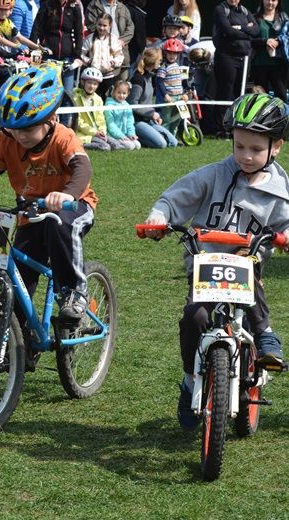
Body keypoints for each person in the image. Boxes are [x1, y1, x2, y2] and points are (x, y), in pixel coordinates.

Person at [141, 93, 289, 431]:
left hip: (246, 261)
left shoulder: (280, 190)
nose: (246, 156)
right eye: (239, 147)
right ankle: (191, 380)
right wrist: (158, 218)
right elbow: (176, 197)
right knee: (195, 318)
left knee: (250, 274)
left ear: (275, 146)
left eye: (255, 149)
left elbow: (286, 221)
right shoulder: (214, 174)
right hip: (205, 265)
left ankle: (265, 335)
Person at [0, 66, 98, 366]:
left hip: (73, 207)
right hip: (30, 213)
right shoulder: (9, 141)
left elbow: (82, 167)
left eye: (27, 129)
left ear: (50, 119)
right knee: (18, 275)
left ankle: (75, 294)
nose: (20, 136)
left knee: (60, 227)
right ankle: (19, 347)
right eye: (12, 129)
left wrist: (67, 194)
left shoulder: (63, 137)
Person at [212, 0, 260, 136]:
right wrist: (247, 31)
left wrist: (240, 28)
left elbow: (256, 30)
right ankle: (223, 127)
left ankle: (238, 125)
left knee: (241, 91)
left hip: (244, 57)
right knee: (226, 90)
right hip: (226, 57)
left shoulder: (244, 11)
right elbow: (226, 30)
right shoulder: (220, 9)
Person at [30, 0, 84, 95]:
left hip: (67, 56)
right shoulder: (47, 5)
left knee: (68, 93)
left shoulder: (74, 7)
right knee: (46, 90)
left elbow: (79, 34)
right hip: (48, 54)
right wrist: (32, 49)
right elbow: (36, 29)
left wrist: (77, 56)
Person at [128, 47, 178, 149]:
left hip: (148, 119)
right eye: (159, 60)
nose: (161, 62)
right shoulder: (138, 79)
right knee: (162, 144)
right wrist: (151, 114)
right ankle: (135, 138)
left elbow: (148, 102)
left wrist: (155, 115)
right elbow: (132, 104)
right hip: (136, 121)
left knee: (173, 142)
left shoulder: (150, 77)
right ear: (153, 61)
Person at [74, 67, 123, 151]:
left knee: (116, 145)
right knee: (105, 147)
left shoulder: (98, 99)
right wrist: (95, 132)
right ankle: (81, 144)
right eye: (89, 83)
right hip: (84, 134)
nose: (92, 86)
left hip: (98, 133)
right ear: (83, 82)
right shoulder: (75, 98)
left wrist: (102, 131)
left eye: (95, 84)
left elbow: (101, 118)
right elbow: (79, 122)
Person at [84, 0, 133, 81]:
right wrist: (104, 39)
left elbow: (130, 27)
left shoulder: (123, 7)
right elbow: (90, 25)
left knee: (121, 86)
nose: (101, 27)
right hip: (99, 58)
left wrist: (123, 40)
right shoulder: (94, 5)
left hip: (121, 53)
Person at [251, 0, 288, 103]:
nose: (270, 2)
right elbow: (249, 40)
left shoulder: (284, 17)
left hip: (279, 64)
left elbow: (287, 37)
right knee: (261, 98)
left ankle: (281, 119)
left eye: (274, 0)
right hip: (259, 64)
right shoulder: (254, 18)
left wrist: (279, 41)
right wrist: (265, 41)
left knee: (281, 96)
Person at [80, 13, 123, 99]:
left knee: (106, 99)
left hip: (108, 75)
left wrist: (113, 62)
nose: (101, 28)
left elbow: (119, 56)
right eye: (99, 25)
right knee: (91, 98)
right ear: (96, 23)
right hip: (93, 77)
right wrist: (89, 61)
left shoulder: (113, 39)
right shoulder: (90, 38)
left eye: (105, 25)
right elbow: (81, 53)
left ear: (110, 25)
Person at [155, 38, 187, 139]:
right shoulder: (163, 67)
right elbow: (159, 82)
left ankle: (173, 137)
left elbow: (182, 81)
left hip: (180, 97)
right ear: (165, 53)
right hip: (170, 98)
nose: (172, 56)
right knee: (166, 119)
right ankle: (165, 138)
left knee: (177, 118)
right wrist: (165, 95)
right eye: (170, 53)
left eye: (175, 54)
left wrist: (185, 93)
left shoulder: (177, 66)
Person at [104, 80, 140, 150]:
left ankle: (127, 140)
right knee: (131, 146)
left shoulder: (127, 106)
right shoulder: (109, 106)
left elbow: (130, 122)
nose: (121, 95)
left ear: (128, 94)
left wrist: (131, 134)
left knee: (137, 145)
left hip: (125, 135)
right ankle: (114, 144)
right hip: (113, 135)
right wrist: (121, 136)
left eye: (124, 93)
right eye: (119, 92)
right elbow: (110, 125)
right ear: (114, 92)